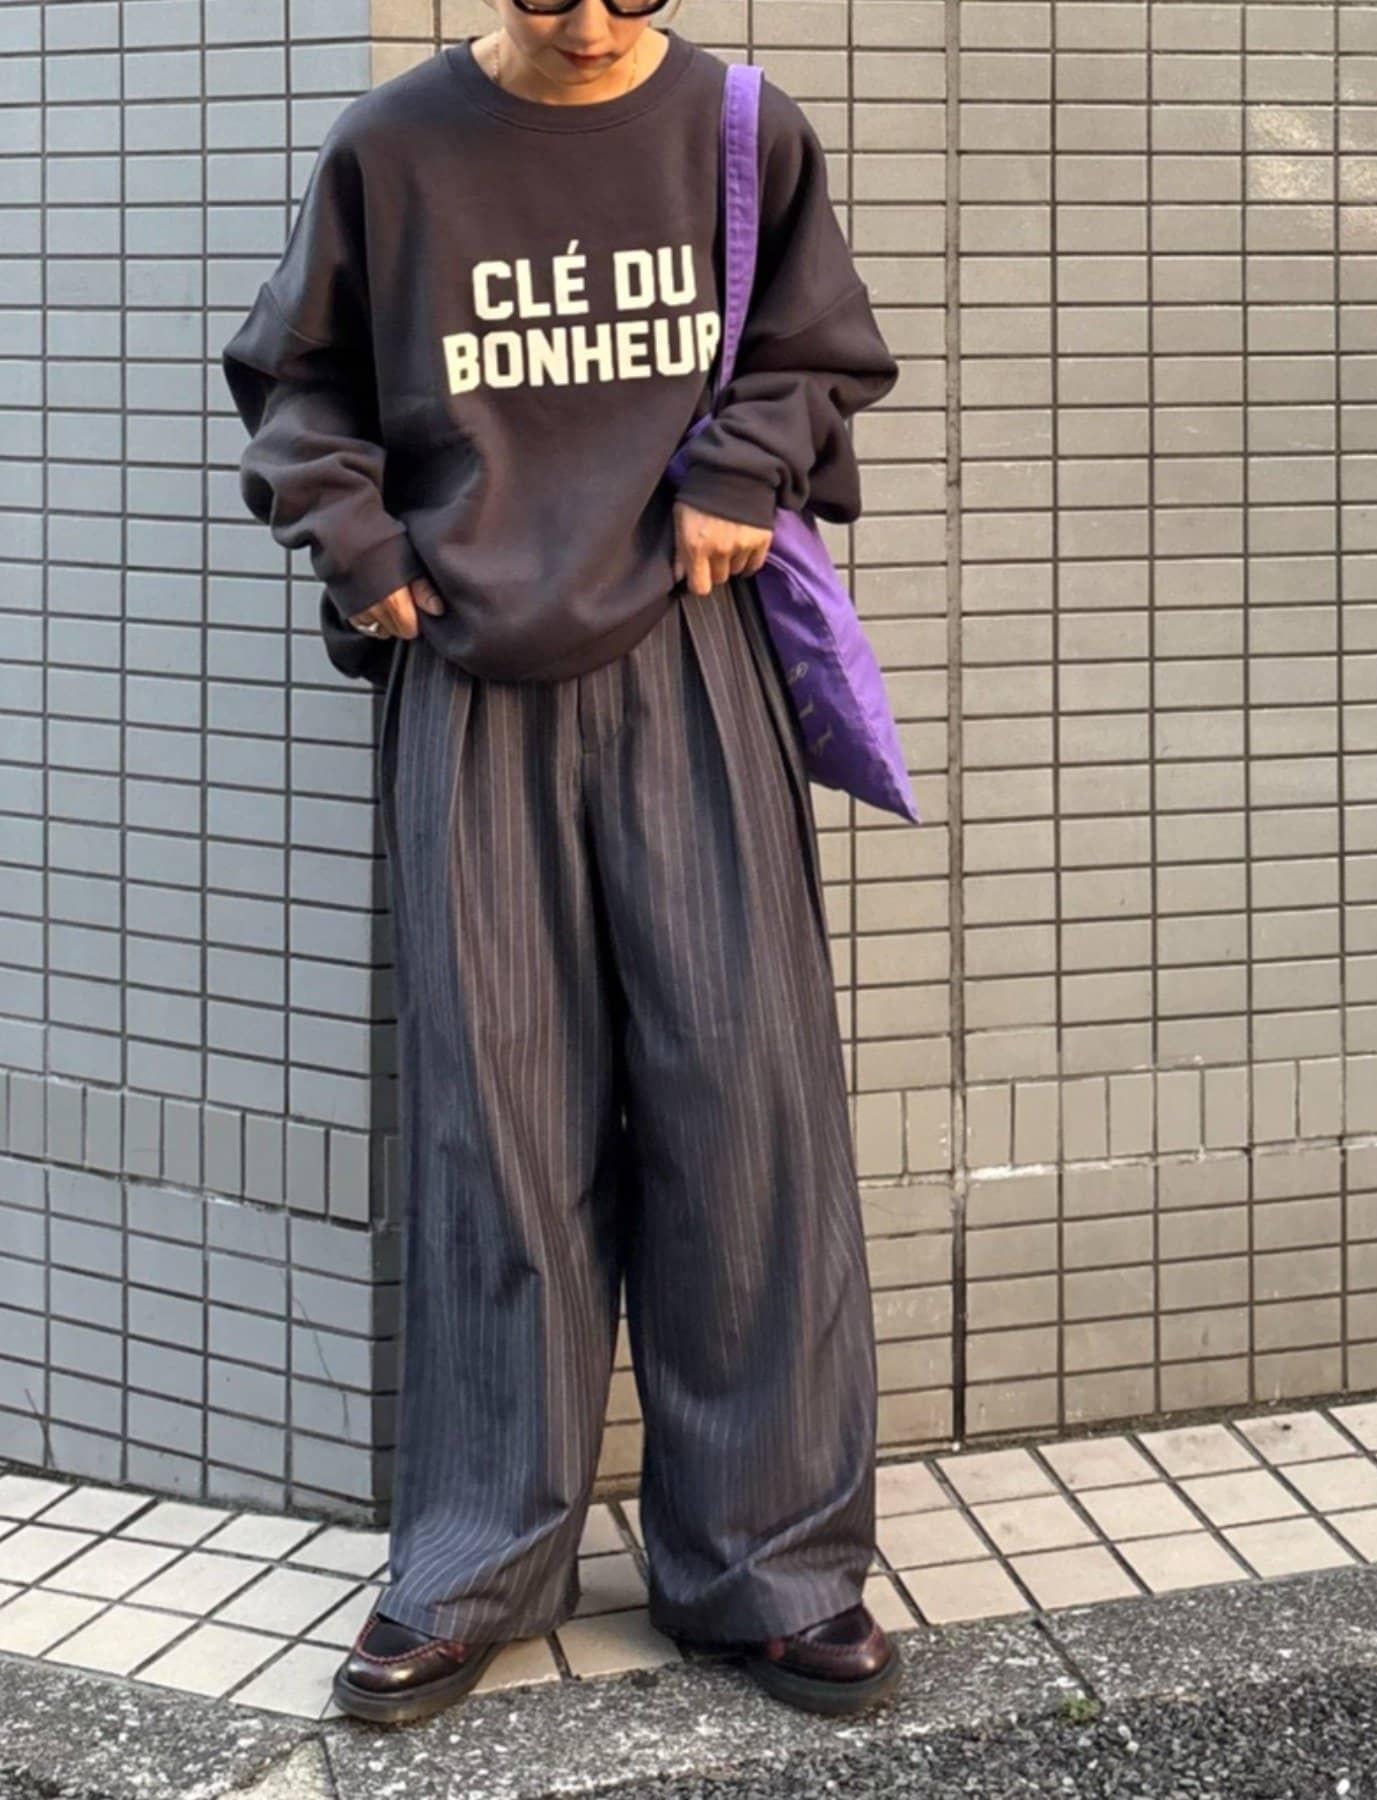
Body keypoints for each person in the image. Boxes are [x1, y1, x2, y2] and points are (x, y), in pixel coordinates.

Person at [221, 0, 901, 1729]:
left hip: (695, 652)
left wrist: (742, 464)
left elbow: (815, 345)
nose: (593, 25)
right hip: (467, 671)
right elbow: (297, 380)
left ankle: (770, 1566)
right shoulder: (395, 146)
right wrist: (362, 547)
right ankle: (471, 1563)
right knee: (497, 1121)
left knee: (746, 1110)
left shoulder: (742, 128)